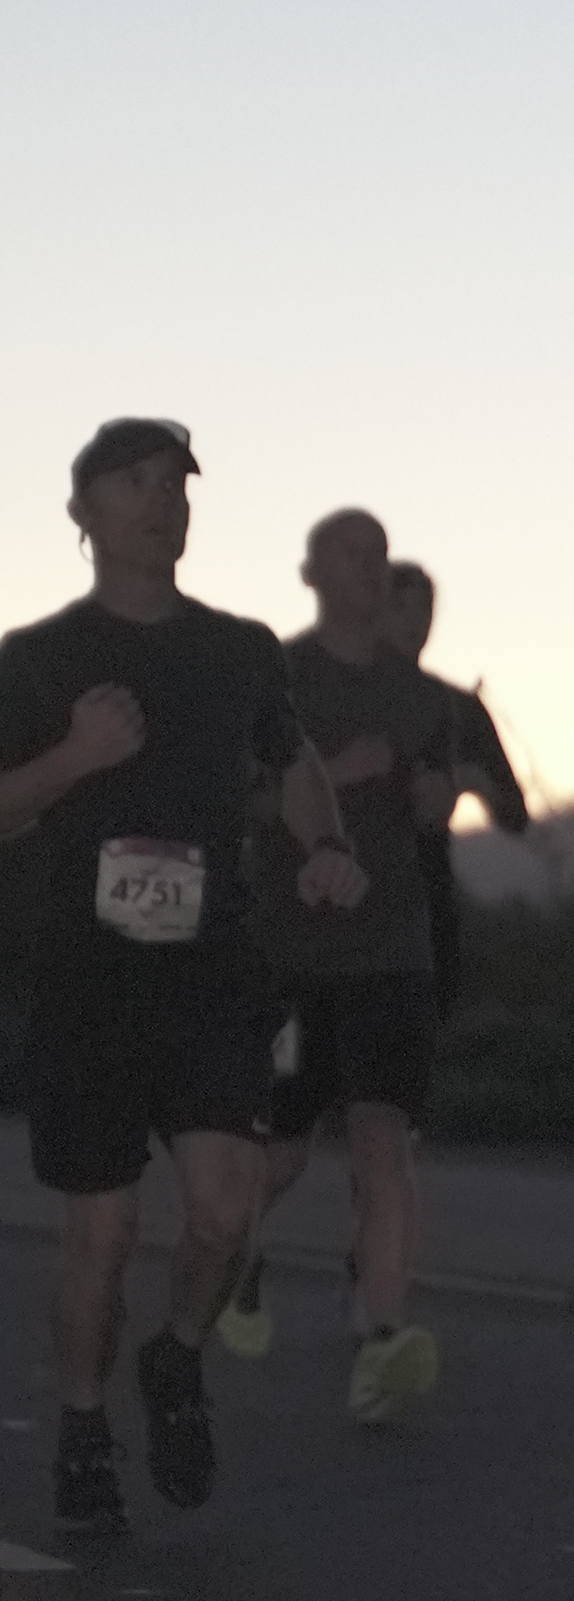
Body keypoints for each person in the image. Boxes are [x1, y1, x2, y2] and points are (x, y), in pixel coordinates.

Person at [0, 420, 364, 1531]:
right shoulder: (35, 659)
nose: (162, 501)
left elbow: (292, 762)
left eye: (174, 484)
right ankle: (82, 1429)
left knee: (223, 1213)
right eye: (135, 482)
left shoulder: (239, 650)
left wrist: (327, 841)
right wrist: (75, 758)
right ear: (83, 513)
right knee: (102, 1234)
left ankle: (176, 1355)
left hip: (210, 974)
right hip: (85, 980)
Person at [235, 510, 455, 1420]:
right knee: (281, 1150)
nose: (369, 568)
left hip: (391, 950)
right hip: (290, 954)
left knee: (382, 1145)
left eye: (378, 556)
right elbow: (242, 799)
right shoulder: (276, 678)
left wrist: (436, 796)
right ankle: (231, 1254)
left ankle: (383, 1337)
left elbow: (444, 799)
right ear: (311, 574)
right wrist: (337, 773)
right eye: (350, 555)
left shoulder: (424, 698)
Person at [380, 559, 530, 1025]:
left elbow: (515, 814)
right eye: (401, 607)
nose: (415, 622)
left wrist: (469, 782)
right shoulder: (326, 697)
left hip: (426, 899)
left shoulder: (458, 708)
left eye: (424, 609)